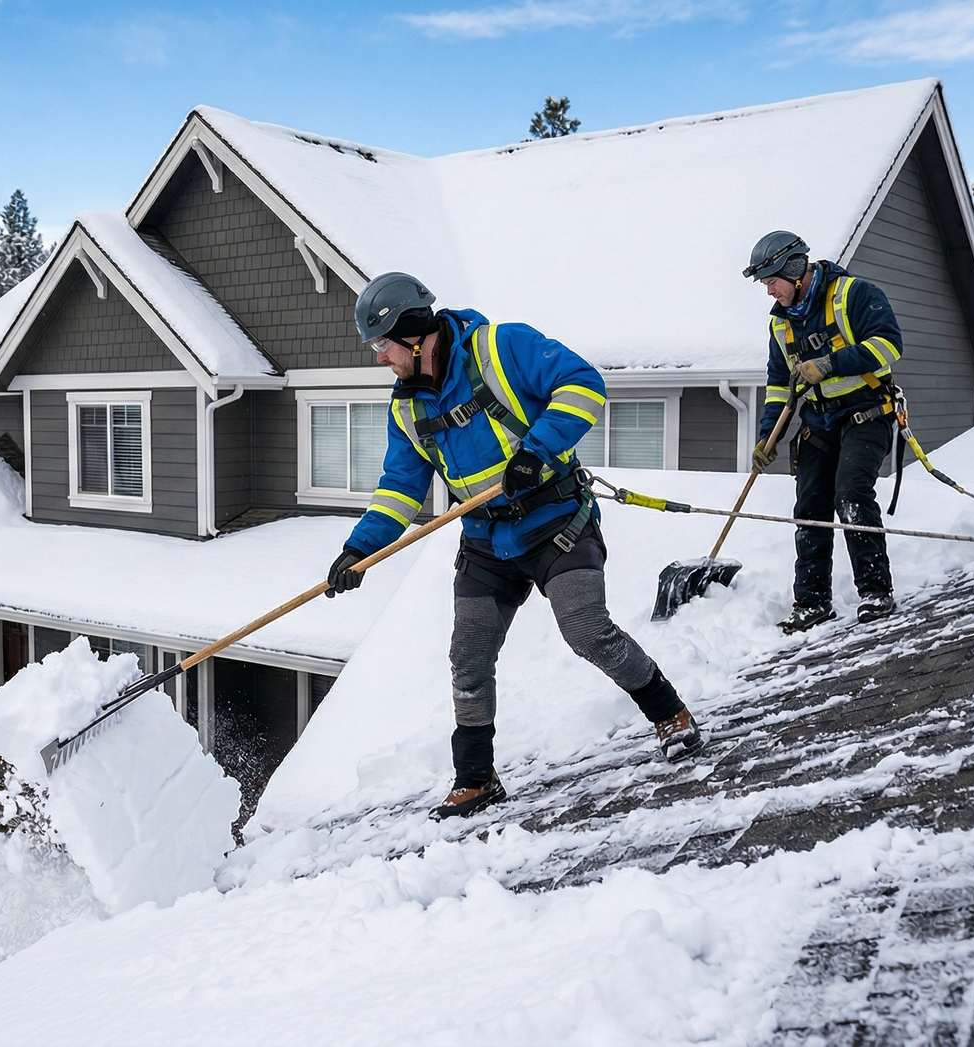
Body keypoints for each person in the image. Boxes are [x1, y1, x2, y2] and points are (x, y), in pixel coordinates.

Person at [324, 272, 704, 821]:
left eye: (381, 345)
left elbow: (582, 383)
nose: (380, 358)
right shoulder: (406, 408)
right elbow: (400, 488)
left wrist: (538, 451)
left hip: (556, 522)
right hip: (486, 540)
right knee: (469, 657)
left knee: (586, 630)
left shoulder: (502, 347)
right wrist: (357, 552)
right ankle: (476, 781)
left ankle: (670, 714)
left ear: (411, 334)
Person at [744, 231, 904, 634]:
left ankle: (875, 592)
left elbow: (889, 346)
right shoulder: (781, 326)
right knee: (810, 508)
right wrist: (768, 437)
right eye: (765, 285)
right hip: (819, 422)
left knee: (850, 495)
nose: (769, 293)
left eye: (772, 282)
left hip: (867, 414)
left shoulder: (854, 294)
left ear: (795, 271)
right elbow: (780, 385)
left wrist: (830, 364)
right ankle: (812, 603)